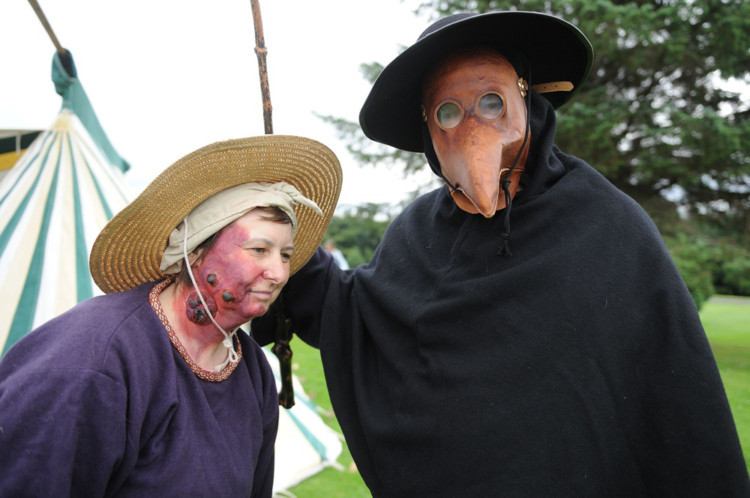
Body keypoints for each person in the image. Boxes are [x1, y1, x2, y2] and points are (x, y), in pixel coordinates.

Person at [251, 11, 750, 496]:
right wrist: (288, 247)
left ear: (526, 100)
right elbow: (359, 313)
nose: (473, 128)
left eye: (492, 102)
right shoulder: (418, 228)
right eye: (448, 112)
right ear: (428, 131)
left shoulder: (604, 223)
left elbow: (679, 401)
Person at [0, 135, 342, 497]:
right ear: (194, 253)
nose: (278, 273)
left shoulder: (250, 366)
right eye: (259, 249)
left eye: (286, 255)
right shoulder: (93, 362)